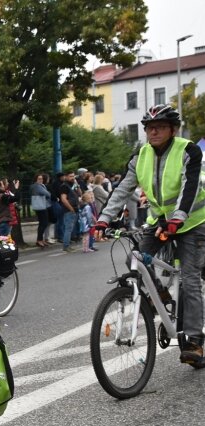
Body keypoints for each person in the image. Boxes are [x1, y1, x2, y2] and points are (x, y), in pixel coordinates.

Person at [96, 104, 205, 368]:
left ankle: (194, 341)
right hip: (158, 221)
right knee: (135, 260)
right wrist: (103, 219)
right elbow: (122, 189)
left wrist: (177, 219)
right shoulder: (140, 155)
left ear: (172, 129)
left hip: (191, 221)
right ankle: (160, 296)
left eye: (160, 127)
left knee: (190, 279)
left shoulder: (188, 150)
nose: (153, 132)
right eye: (149, 128)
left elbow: (190, 187)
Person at [58, 171, 79, 252]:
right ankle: (66, 246)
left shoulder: (73, 185)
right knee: (68, 228)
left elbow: (80, 193)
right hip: (69, 210)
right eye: (70, 176)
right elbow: (63, 199)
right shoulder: (64, 186)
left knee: (71, 228)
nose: (72, 178)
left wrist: (77, 185)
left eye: (73, 176)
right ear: (66, 177)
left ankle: (67, 245)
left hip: (75, 209)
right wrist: (71, 208)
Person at [30, 174, 52, 248]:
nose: (41, 180)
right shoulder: (37, 186)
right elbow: (47, 194)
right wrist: (48, 193)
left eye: (41, 179)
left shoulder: (37, 186)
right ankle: (39, 240)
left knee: (43, 223)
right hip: (41, 207)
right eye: (39, 179)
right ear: (35, 179)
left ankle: (40, 239)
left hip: (41, 206)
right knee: (44, 223)